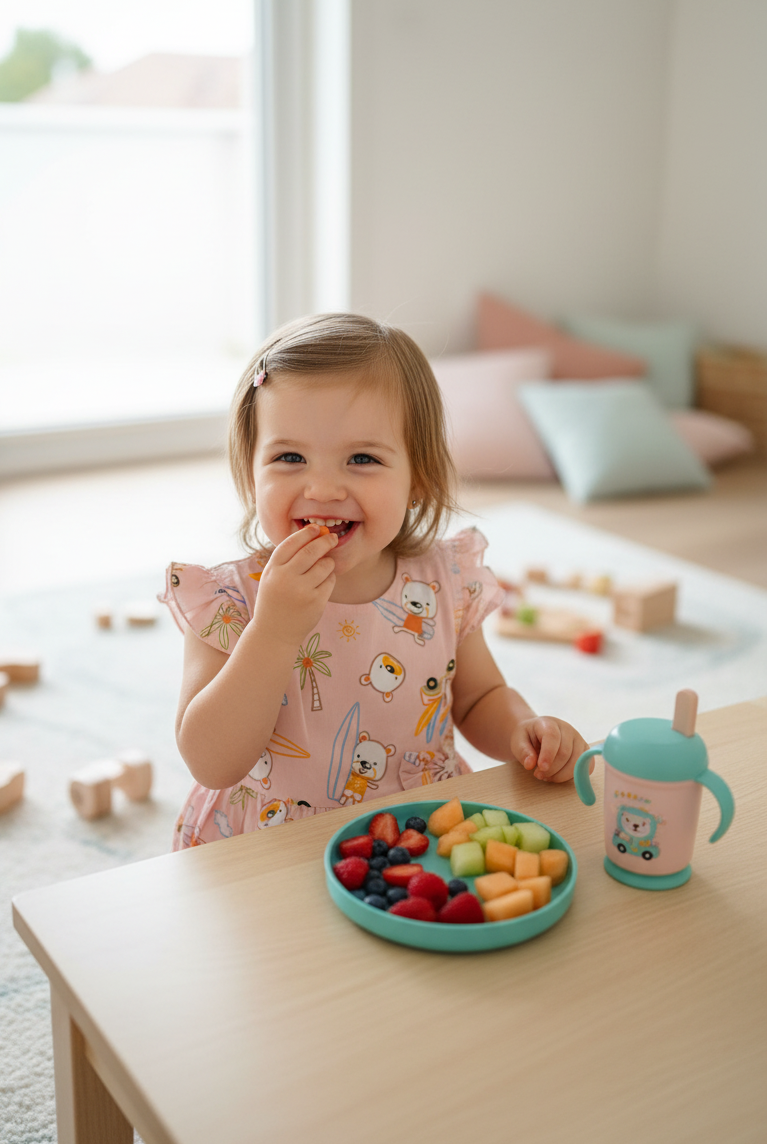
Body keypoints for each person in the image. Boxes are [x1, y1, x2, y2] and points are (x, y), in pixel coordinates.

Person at [159, 312, 589, 848]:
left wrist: (523, 730)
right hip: (273, 849)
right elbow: (210, 761)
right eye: (289, 457)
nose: (321, 487)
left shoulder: (445, 582)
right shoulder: (230, 601)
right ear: (251, 471)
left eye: (361, 458)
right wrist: (272, 631)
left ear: (419, 477)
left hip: (415, 835)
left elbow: (479, 698)